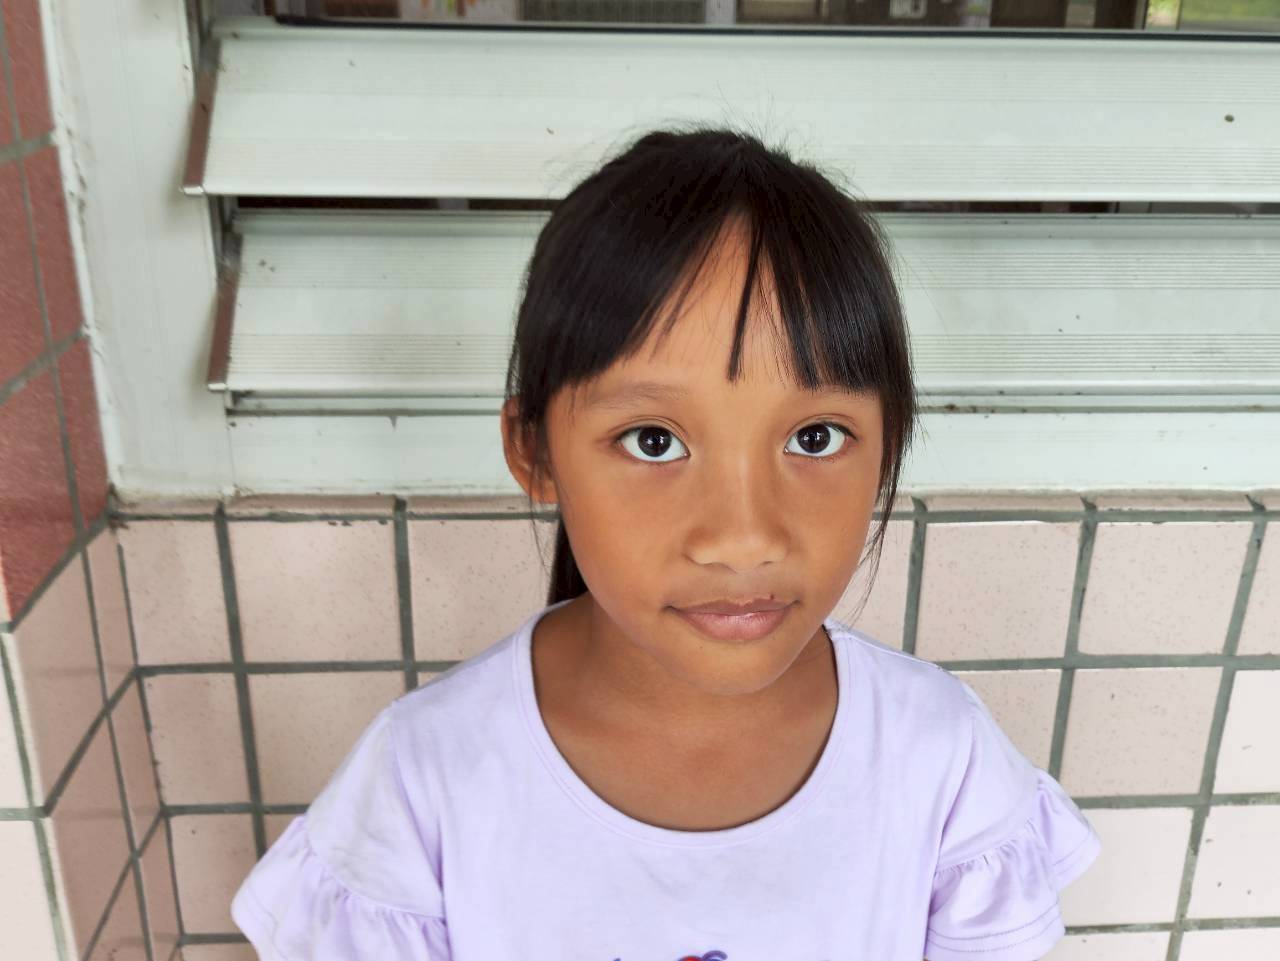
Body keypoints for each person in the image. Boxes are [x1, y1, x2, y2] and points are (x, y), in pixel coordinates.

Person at [230, 124, 1102, 961]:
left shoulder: (939, 756)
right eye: (654, 441)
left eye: (815, 437)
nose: (743, 537)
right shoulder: (422, 779)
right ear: (535, 451)